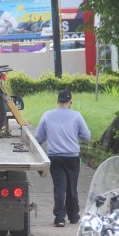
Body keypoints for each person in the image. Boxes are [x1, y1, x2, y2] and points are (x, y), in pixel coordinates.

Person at [35, 89, 91, 227]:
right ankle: (73, 216)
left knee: (60, 187)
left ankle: (60, 218)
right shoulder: (76, 116)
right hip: (72, 156)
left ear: (57, 101)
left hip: (55, 157)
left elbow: (39, 138)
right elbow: (87, 137)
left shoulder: (47, 115)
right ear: (70, 102)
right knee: (72, 187)